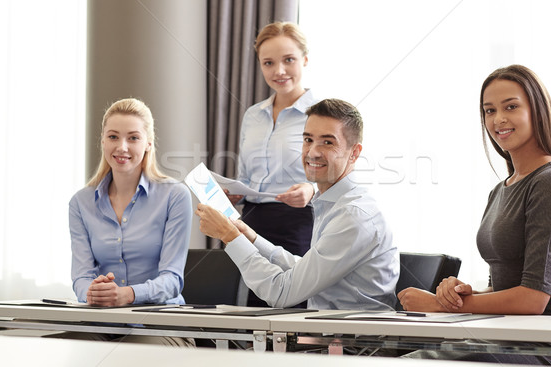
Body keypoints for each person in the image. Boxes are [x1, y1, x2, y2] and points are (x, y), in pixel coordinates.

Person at [397, 65, 551, 366]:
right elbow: (502, 288)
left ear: (536, 110)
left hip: (550, 346)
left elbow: (533, 299)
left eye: (511, 106)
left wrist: (443, 306)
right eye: (489, 110)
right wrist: (459, 294)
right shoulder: (501, 189)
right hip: (506, 336)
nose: (498, 119)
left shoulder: (549, 180)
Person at [197, 99, 399, 310]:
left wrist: (230, 236)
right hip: (325, 335)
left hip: (349, 340)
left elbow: (282, 293)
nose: (312, 152)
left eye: (327, 142)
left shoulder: (353, 215)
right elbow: (303, 269)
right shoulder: (332, 203)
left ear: (354, 153)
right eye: (308, 139)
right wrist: (250, 237)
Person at [67, 98, 193, 346]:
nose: (122, 147)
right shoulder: (80, 203)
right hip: (102, 323)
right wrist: (93, 292)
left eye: (133, 138)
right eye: (113, 137)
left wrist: (126, 295)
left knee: (133, 353)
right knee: (58, 349)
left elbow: (172, 280)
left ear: (148, 144)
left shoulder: (175, 196)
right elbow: (81, 277)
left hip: (161, 326)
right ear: (102, 141)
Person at [228, 21, 318, 259]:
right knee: (242, 295)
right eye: (269, 63)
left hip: (298, 224)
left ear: (305, 60)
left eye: (289, 60)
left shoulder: (320, 115)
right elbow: (246, 176)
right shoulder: (252, 115)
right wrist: (235, 193)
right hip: (249, 221)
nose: (279, 71)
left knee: (292, 294)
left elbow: (341, 179)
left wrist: (311, 189)